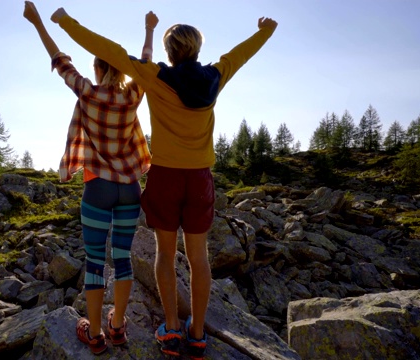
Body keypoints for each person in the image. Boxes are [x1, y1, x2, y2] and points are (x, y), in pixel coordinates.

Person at [50, 8, 278, 359]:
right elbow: (240, 55)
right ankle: (198, 335)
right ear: (197, 49)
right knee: (199, 260)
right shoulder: (216, 76)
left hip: (166, 177)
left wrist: (66, 23)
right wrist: (265, 31)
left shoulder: (155, 76)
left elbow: (106, 48)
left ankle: (171, 331)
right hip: (200, 178)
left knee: (165, 255)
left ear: (169, 52)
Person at [23, 2, 158, 355]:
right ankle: (117, 327)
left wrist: (37, 22)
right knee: (124, 258)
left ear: (97, 69)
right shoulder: (133, 95)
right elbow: (144, 62)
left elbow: (58, 59)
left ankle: (95, 334)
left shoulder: (88, 91)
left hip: (97, 187)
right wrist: (149, 30)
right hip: (130, 187)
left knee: (95, 261)